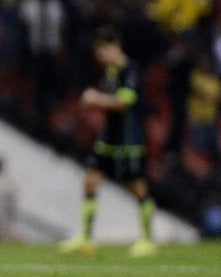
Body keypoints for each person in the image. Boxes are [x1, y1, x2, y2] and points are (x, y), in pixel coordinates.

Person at [59, 26, 157, 257]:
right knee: (90, 180)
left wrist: (95, 99)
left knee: (137, 186)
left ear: (113, 46)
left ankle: (148, 241)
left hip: (128, 139)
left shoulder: (130, 70)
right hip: (108, 138)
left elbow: (124, 103)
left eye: (102, 52)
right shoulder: (111, 72)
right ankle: (85, 238)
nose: (100, 58)